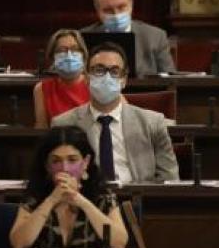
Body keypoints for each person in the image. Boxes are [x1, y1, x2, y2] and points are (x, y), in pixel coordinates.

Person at [51, 42, 179, 183]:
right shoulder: (64, 123)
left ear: (124, 80)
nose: (107, 77)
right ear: (86, 78)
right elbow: (58, 178)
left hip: (137, 194)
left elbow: (170, 180)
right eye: (99, 70)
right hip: (86, 194)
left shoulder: (153, 123)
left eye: (114, 71)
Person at [9, 126, 128, 248]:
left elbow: (119, 244)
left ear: (85, 162)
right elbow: (19, 244)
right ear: (47, 165)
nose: (64, 168)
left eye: (72, 160)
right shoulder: (35, 194)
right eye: (56, 161)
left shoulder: (102, 194)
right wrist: (51, 200)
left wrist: (80, 201)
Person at [80, 0, 175, 76]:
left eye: (121, 7)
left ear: (131, 5)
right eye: (108, 10)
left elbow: (170, 79)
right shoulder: (82, 39)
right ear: (98, 11)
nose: (116, 15)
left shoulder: (155, 37)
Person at [33, 29, 91, 129]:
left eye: (75, 49)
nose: (69, 55)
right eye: (62, 50)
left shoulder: (95, 83)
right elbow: (41, 127)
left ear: (83, 54)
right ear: (52, 58)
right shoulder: (42, 88)